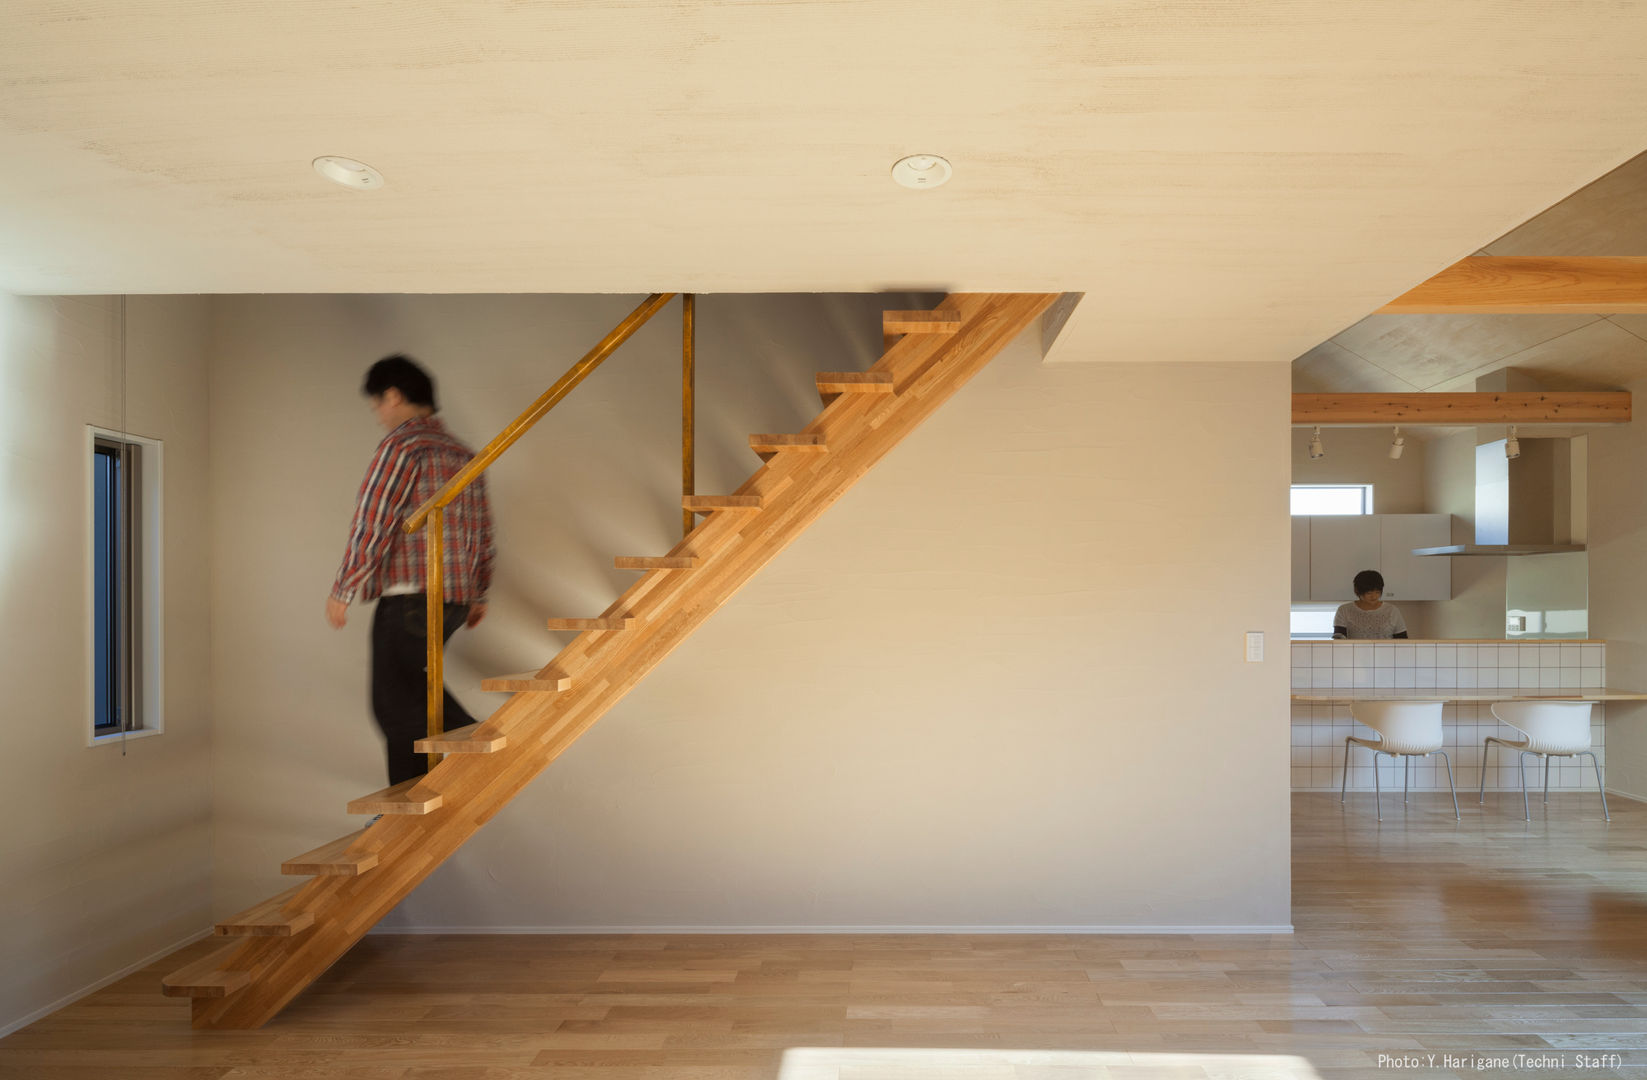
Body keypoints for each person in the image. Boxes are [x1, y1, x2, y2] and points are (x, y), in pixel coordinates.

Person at [327, 355, 495, 787]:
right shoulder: (463, 453)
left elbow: (374, 519)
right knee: (412, 696)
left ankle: (468, 744)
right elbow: (482, 529)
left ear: (394, 396)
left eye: (377, 406)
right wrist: (477, 593)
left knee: (393, 703)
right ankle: (418, 795)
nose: (379, 417)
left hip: (410, 598)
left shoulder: (403, 447)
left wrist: (345, 588)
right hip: (454, 599)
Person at [1333, 570, 1408, 640]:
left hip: (1387, 653)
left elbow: (1402, 639)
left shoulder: (1392, 610)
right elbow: (1339, 639)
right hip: (1355, 653)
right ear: (1357, 591)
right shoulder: (1344, 610)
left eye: (1377, 592)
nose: (1374, 596)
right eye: (1369, 593)